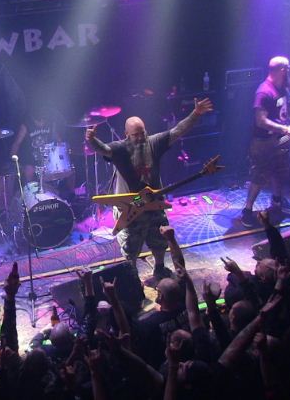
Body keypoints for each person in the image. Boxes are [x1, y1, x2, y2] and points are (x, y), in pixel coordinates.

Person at [84, 98, 214, 283]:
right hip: (132, 203)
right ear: (126, 134)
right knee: (131, 244)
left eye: (142, 133)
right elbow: (103, 149)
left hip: (153, 201)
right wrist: (91, 139)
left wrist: (196, 114)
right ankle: (132, 276)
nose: (140, 138)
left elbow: (178, 130)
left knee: (159, 238)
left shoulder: (153, 142)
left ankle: (159, 268)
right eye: (135, 135)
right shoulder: (120, 148)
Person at [240, 56, 290, 228]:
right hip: (264, 142)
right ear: (282, 70)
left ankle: (276, 202)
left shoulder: (282, 88)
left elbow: (288, 104)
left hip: (281, 140)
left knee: (280, 171)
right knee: (259, 175)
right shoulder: (264, 91)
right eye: (288, 68)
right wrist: (286, 129)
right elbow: (261, 121)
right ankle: (247, 210)